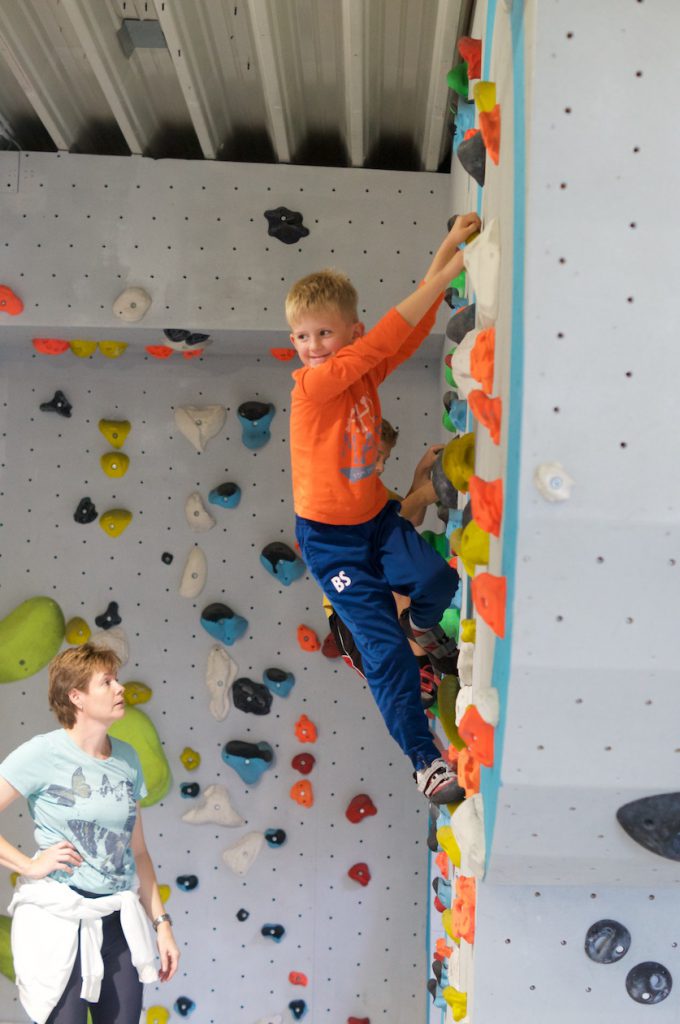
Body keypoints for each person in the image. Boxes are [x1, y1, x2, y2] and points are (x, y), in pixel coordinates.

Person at [286, 211, 480, 804]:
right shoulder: (311, 386)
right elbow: (389, 335)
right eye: (301, 336)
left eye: (324, 334)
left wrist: (445, 252)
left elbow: (408, 333)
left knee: (437, 582)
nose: (311, 347)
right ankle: (426, 762)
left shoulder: (361, 374)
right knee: (383, 651)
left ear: (352, 331)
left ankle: (422, 626)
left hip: (374, 520)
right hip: (330, 541)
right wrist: (452, 263)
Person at [0, 644, 179, 1024]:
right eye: (107, 681)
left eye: (117, 679)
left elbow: (139, 852)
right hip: (58, 921)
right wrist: (29, 866)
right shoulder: (42, 753)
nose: (120, 689)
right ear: (76, 696)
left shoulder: (127, 758)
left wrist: (162, 926)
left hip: (117, 921)